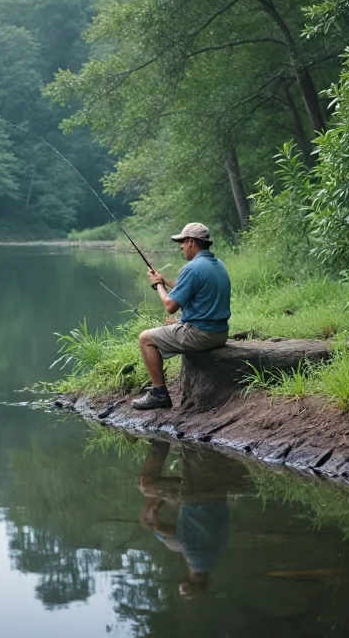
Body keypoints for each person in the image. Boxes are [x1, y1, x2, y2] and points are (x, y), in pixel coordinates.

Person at [132, 222, 231, 410]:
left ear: (192, 242)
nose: (181, 246)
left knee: (145, 338)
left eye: (183, 242)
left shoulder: (192, 268)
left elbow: (170, 306)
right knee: (166, 328)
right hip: (220, 333)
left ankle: (159, 393)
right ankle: (159, 392)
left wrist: (157, 286)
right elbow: (188, 286)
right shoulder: (217, 265)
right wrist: (164, 279)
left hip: (201, 335)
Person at [138, 441, 233, 598]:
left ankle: (164, 449)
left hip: (219, 495)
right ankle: (159, 442)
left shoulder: (217, 553)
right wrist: (153, 520)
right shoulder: (195, 557)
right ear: (192, 578)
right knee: (146, 485)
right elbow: (161, 530)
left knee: (159, 499)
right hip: (195, 495)